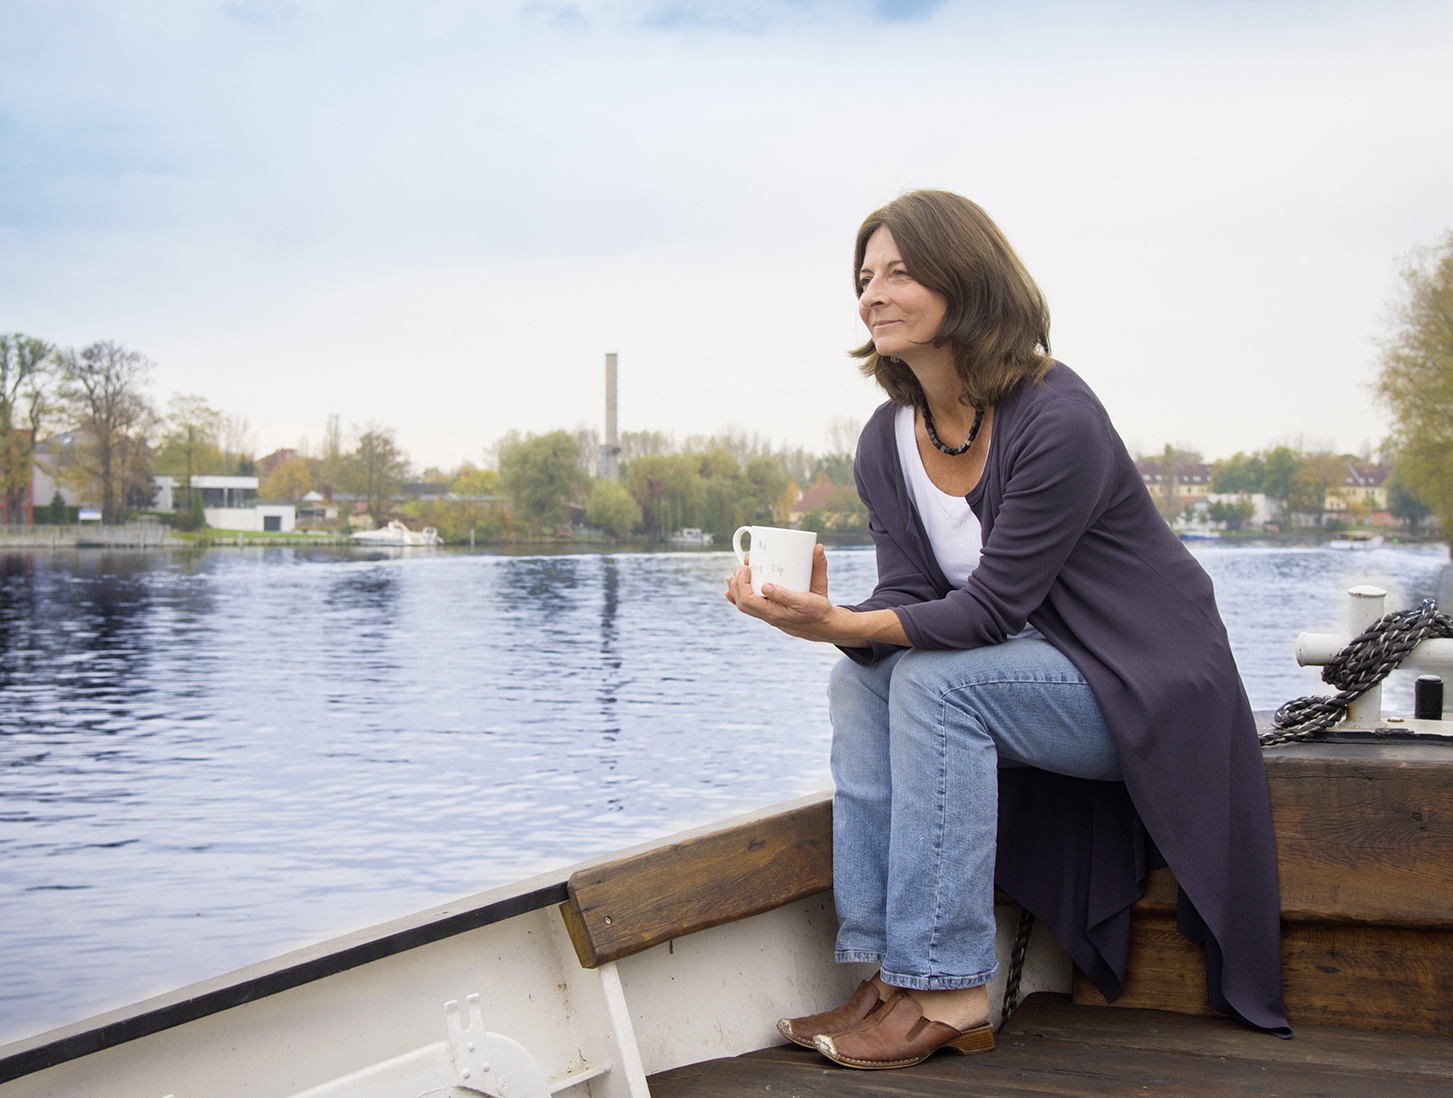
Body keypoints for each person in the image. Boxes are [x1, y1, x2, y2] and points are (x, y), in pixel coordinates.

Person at [725, 189, 1289, 1071]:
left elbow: (986, 610)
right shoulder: (886, 439)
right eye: (864, 278)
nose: (873, 294)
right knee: (859, 680)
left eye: (900, 273)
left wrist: (848, 620)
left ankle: (950, 989)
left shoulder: (1057, 418)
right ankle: (888, 972)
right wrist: (826, 626)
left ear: (966, 281)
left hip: (1143, 685)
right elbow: (911, 594)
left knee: (932, 683)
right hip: (1024, 672)